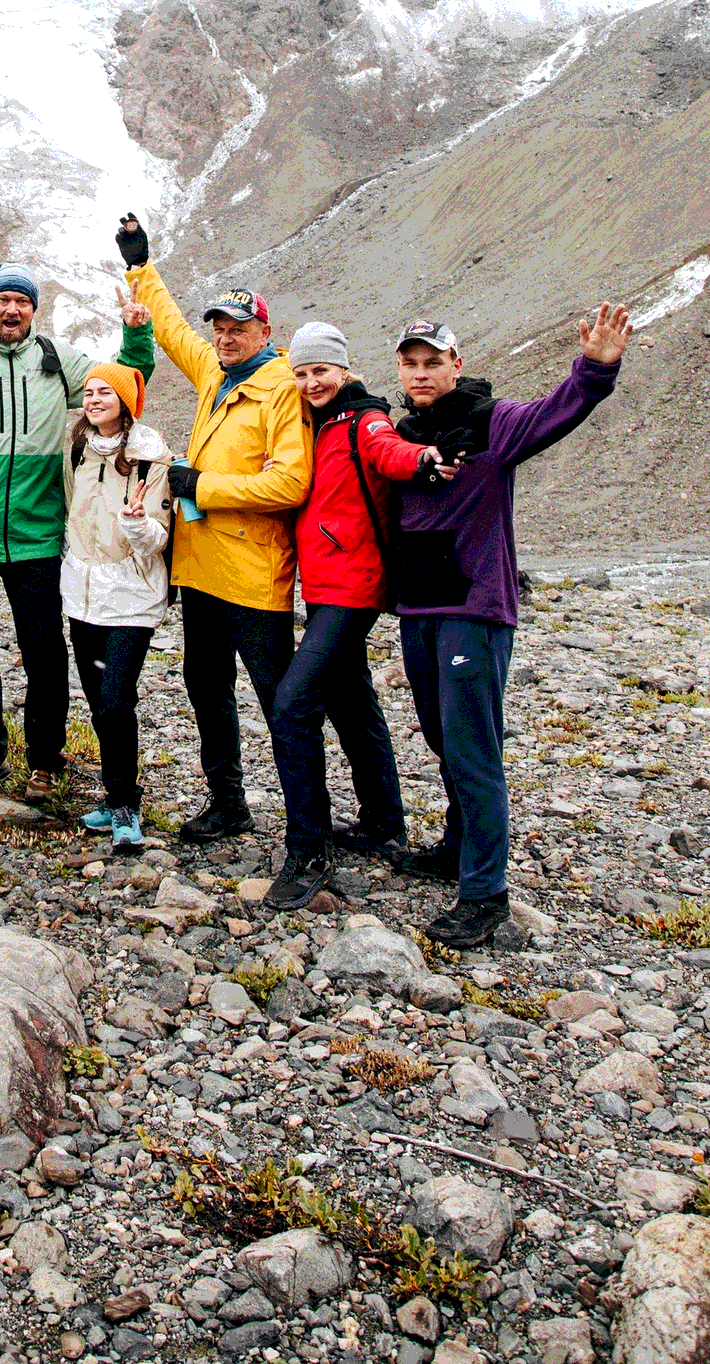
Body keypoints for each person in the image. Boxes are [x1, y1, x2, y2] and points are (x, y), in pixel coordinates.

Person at [392, 305, 630, 947]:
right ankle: (457, 846)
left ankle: (485, 894)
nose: (421, 373)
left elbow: (557, 411)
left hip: (475, 609)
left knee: (473, 748)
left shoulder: (492, 422)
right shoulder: (402, 434)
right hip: (420, 609)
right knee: (443, 738)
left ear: (456, 365)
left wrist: (596, 369)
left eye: (432, 363)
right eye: (411, 364)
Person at [0, 258, 155, 799]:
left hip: (38, 534)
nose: (12, 309)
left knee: (44, 651)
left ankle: (44, 759)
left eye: (23, 302)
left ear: (34, 310)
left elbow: (121, 387)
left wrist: (136, 335)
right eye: (4, 300)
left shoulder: (55, 359)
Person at [115, 215, 311, 843]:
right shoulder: (215, 376)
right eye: (220, 330)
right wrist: (140, 264)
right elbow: (170, 328)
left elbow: (290, 483)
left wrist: (204, 488)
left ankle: (309, 834)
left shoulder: (281, 388)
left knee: (283, 705)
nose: (225, 338)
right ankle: (229, 804)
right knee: (207, 692)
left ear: (265, 332)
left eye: (238, 329)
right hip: (199, 572)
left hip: (254, 578)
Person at [267, 321, 443, 907]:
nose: (312, 381)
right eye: (304, 372)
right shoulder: (311, 423)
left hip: (353, 585)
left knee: (293, 704)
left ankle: (307, 847)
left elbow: (388, 452)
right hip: (322, 585)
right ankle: (383, 821)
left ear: (343, 370)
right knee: (352, 700)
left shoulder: (363, 418)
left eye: (322, 371)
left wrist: (422, 461)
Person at [61, 360, 172, 854]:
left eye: (106, 392)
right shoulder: (78, 446)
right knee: (97, 700)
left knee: (115, 697)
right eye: (89, 392)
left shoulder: (151, 454)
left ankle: (127, 802)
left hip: (131, 594)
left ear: (126, 401)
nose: (94, 399)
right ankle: (113, 794)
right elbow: (70, 510)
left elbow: (157, 538)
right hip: (82, 591)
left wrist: (133, 523)